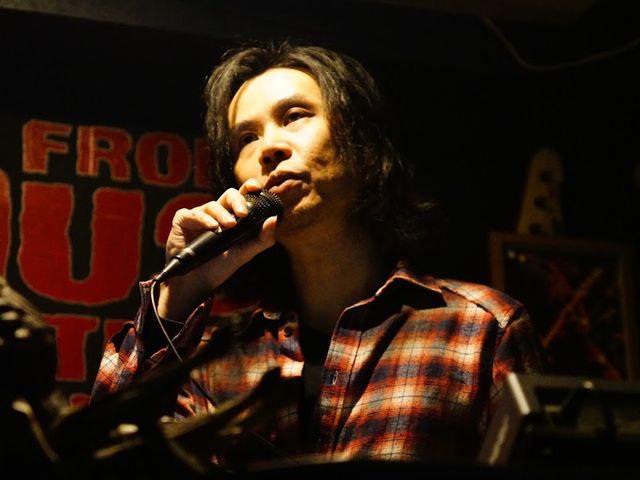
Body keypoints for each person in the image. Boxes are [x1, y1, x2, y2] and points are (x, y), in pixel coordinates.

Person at [90, 39, 545, 470]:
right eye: (246, 138)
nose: (268, 147)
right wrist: (179, 296)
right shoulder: (215, 360)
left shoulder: (482, 328)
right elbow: (101, 459)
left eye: (294, 116)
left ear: (364, 147)